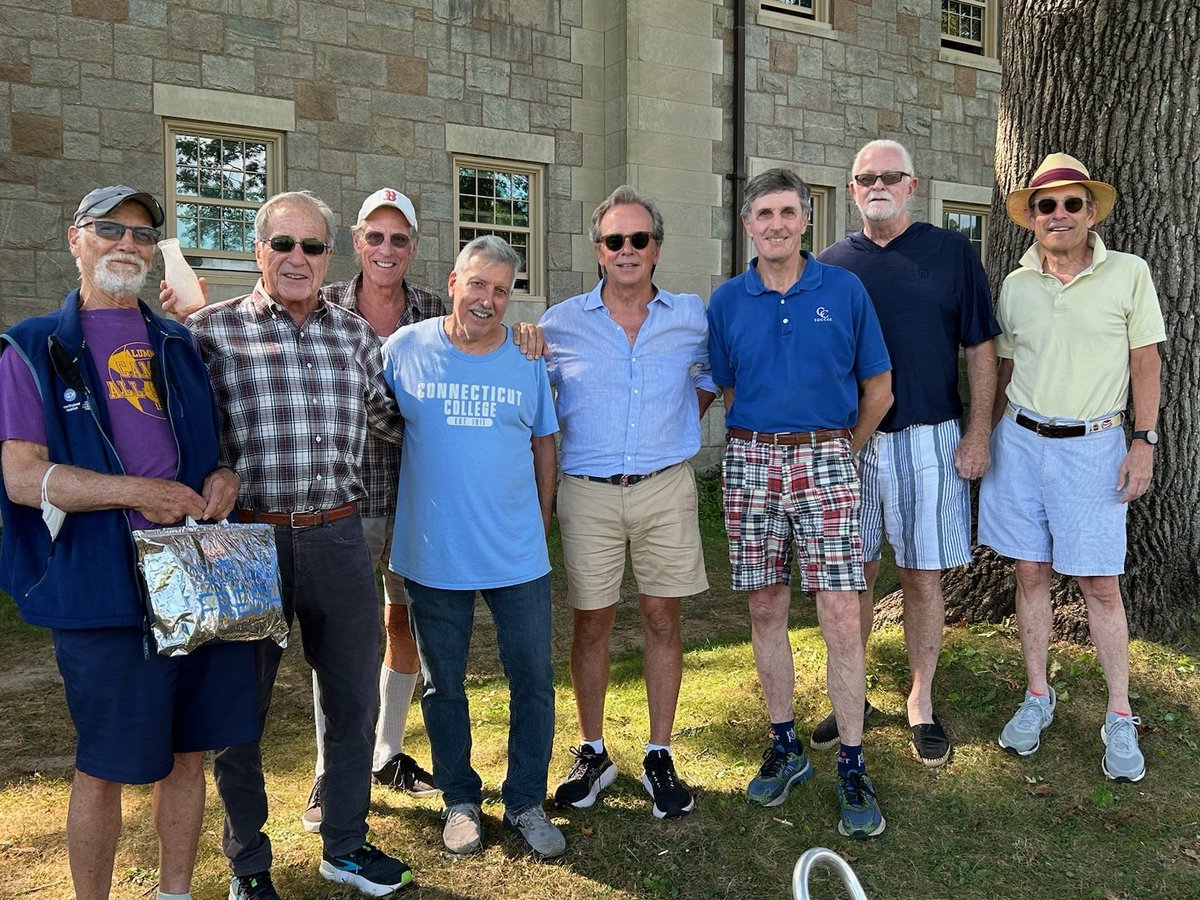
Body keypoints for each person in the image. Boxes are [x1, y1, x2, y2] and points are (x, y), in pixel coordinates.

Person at [0, 185, 257, 900]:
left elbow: (211, 450)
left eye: (143, 236)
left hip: (195, 577)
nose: (128, 245)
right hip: (102, 586)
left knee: (189, 752)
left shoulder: (179, 342)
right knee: (106, 763)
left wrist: (223, 477)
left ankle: (175, 892)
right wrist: (138, 494)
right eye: (110, 230)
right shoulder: (30, 349)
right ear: (75, 239)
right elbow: (22, 478)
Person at [186, 191, 413, 898]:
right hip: (246, 543)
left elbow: (404, 422)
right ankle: (248, 863)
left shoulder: (354, 337)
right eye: (282, 244)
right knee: (237, 711)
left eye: (311, 247)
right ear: (258, 250)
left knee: (353, 700)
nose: (297, 259)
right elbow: (182, 435)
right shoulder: (206, 334)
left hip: (339, 537)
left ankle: (344, 843)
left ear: (327, 258)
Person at [707, 168, 893, 839]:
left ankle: (850, 760)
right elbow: (728, 386)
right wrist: (767, 438)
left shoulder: (844, 290)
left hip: (828, 457)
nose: (777, 224)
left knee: (842, 616)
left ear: (806, 219)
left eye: (788, 212)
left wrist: (844, 449)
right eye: (765, 214)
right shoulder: (728, 300)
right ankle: (785, 745)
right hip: (753, 457)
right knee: (764, 607)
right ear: (748, 224)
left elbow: (880, 386)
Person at [979, 152, 1164, 783]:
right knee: (1029, 574)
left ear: (1089, 211)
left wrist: (1143, 442)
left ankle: (1119, 714)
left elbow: (1147, 362)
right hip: (1021, 445)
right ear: (1031, 217)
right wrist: (985, 434)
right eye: (1046, 204)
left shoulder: (1129, 274)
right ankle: (1038, 696)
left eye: (1071, 203)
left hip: (1096, 447)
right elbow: (1003, 369)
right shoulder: (1015, 283)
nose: (1059, 214)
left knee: (1100, 586)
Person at [815, 139, 999, 768]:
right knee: (855, 574)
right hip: (855, 445)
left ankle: (920, 698)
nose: (878, 185)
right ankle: (853, 695)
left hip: (931, 436)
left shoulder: (950, 254)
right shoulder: (832, 266)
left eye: (890, 175)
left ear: (913, 186)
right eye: (866, 177)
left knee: (921, 573)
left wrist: (978, 434)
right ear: (851, 189)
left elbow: (980, 349)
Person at [380, 236, 564, 859]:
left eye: (502, 290)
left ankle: (525, 800)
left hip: (516, 553)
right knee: (443, 684)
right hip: (434, 552)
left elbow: (545, 442)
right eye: (478, 284)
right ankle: (459, 798)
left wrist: (542, 517)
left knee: (533, 680)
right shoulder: (403, 349)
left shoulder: (526, 356)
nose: (488, 300)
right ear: (453, 282)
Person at [540, 185, 716, 819]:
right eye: (614, 240)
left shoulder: (692, 316)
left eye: (638, 239)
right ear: (598, 250)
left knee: (663, 620)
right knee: (592, 622)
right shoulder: (559, 324)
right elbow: (535, 402)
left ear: (656, 248)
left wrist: (679, 423)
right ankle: (593, 750)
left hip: (664, 487)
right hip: (586, 494)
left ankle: (659, 751)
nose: (626, 250)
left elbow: (713, 373)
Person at [301, 187, 443, 835]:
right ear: (357, 242)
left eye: (400, 239)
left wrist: (525, 336)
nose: (388, 249)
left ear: (413, 246)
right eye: (376, 237)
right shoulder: (323, 305)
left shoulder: (437, 311)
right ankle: (332, 771)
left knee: (404, 624)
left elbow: (488, 342)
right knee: (338, 639)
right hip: (344, 496)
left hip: (418, 496)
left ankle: (386, 752)